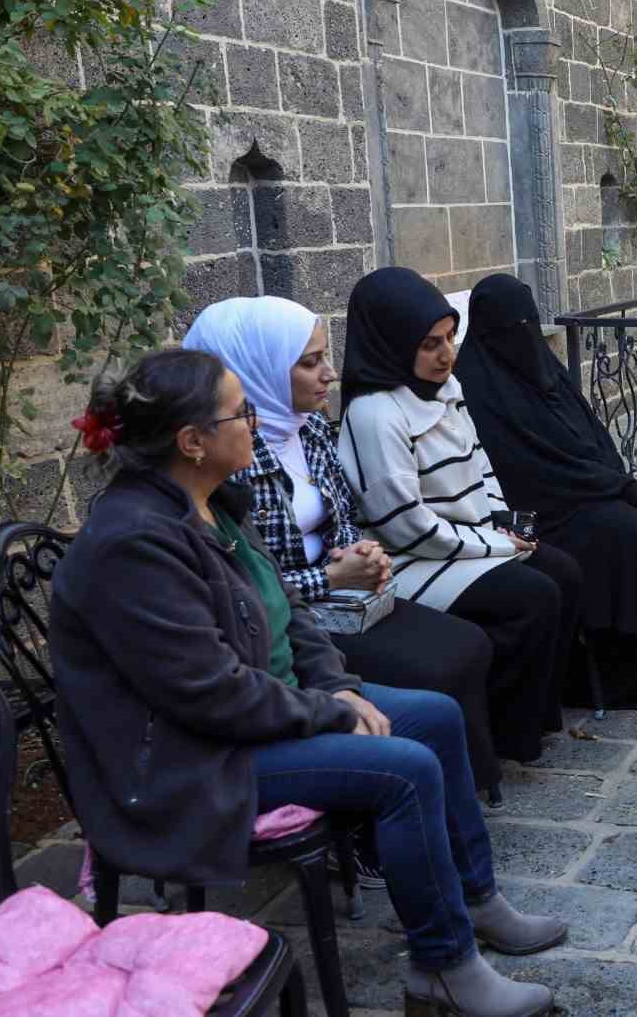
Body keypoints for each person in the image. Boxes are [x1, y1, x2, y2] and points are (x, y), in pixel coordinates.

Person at [50, 349, 566, 1017]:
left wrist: (337, 685)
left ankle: (475, 898)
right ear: (192, 441)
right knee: (403, 769)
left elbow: (288, 616)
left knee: (435, 717)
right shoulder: (133, 543)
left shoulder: (212, 502)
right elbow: (207, 693)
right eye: (242, 412)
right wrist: (329, 709)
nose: (257, 423)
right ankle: (443, 966)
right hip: (190, 759)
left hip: (259, 715)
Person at [182, 296, 507, 808]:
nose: (329, 374)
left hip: (345, 596)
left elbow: (342, 509)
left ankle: (456, 794)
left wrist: (358, 550)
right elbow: (250, 582)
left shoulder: (308, 427)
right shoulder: (229, 457)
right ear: (259, 369)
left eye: (325, 357)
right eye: (309, 362)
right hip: (295, 615)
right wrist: (332, 580)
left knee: (466, 644)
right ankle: (386, 806)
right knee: (433, 667)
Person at [337, 267, 583, 764]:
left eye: (450, 337)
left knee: (563, 571)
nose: (446, 354)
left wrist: (502, 519)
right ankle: (500, 733)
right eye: (429, 343)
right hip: (412, 561)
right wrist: (495, 545)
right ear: (392, 341)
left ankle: (530, 718)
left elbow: (480, 462)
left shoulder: (447, 389)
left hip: (469, 541)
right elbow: (408, 526)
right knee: (530, 596)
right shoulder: (375, 414)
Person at [455, 274, 637, 709]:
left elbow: (591, 436)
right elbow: (526, 470)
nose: (525, 335)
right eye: (514, 327)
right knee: (633, 535)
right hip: (547, 510)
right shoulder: (476, 387)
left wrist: (614, 481)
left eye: (531, 322)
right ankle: (630, 671)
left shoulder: (544, 368)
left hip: (592, 487)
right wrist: (611, 487)